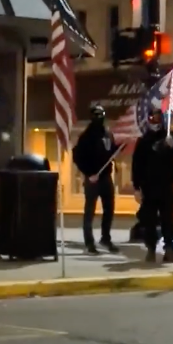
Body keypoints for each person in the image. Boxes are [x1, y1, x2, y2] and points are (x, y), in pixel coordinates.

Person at [131, 108, 173, 263]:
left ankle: (169, 250)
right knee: (149, 221)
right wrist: (136, 187)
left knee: (168, 220)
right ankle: (150, 250)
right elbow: (136, 165)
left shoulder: (171, 135)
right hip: (149, 188)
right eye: (152, 117)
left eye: (157, 117)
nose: (155, 120)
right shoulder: (144, 140)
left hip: (167, 186)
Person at [72, 105, 120, 254]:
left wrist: (118, 148)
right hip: (92, 178)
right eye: (96, 115)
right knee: (89, 211)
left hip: (106, 177)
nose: (99, 118)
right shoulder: (86, 136)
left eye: (101, 115)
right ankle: (89, 243)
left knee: (109, 209)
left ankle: (105, 238)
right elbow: (77, 157)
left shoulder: (107, 134)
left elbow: (110, 151)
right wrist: (88, 173)